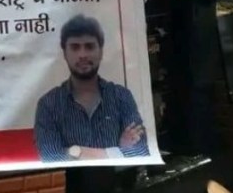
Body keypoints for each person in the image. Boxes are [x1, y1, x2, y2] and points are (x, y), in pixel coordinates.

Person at [33, 14, 149, 161]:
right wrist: (118, 152)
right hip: (73, 178)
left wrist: (74, 151)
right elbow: (51, 158)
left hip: (118, 177)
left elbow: (141, 151)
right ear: (64, 53)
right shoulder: (48, 104)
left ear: (101, 51)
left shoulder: (121, 96)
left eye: (89, 46)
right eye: (75, 47)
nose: (82, 54)